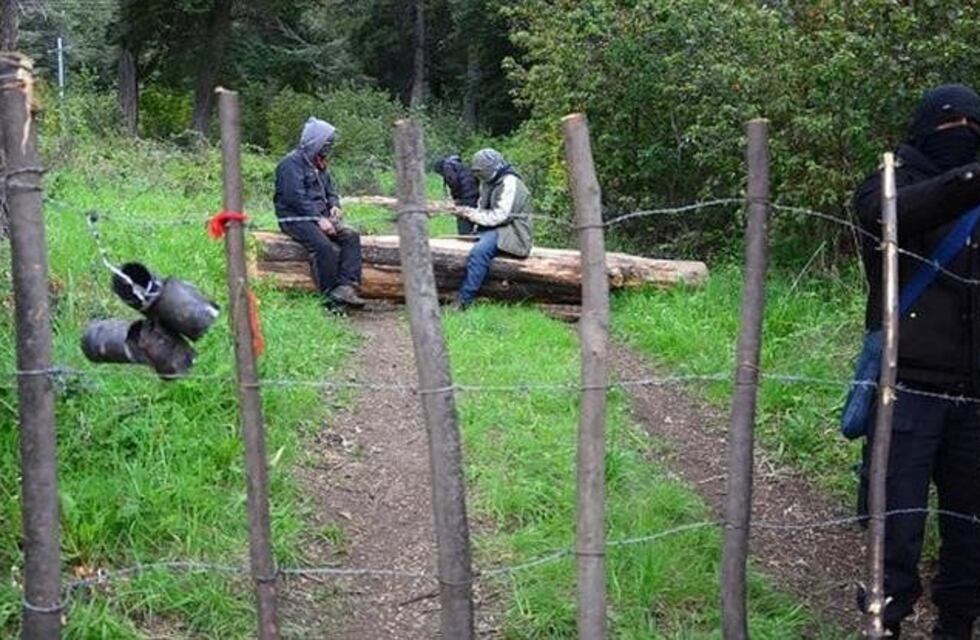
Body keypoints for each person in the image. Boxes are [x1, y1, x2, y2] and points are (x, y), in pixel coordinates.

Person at [853, 84, 980, 639]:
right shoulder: (888, 183)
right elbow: (891, 217)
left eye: (972, 127)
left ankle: (958, 623)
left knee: (970, 528)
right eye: (951, 127)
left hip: (976, 394)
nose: (963, 135)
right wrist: (971, 178)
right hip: (905, 389)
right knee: (897, 524)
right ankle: (888, 620)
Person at [274, 117, 366, 310]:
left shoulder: (319, 163)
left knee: (351, 235)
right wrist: (319, 219)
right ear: (315, 140)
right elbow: (295, 199)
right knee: (324, 248)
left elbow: (331, 191)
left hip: (322, 217)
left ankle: (346, 288)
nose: (328, 146)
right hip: (296, 219)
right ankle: (329, 298)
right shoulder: (290, 164)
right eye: (326, 142)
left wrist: (334, 205)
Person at [450, 148, 533, 309]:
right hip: (497, 227)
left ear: (492, 167)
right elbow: (482, 207)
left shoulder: (510, 182)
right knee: (462, 244)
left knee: (479, 252)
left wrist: (471, 214)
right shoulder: (488, 182)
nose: (480, 176)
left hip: (513, 231)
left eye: (482, 172)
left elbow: (501, 216)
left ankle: (464, 300)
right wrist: (468, 215)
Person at [434, 154, 480, 235]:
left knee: (463, 215)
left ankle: (465, 236)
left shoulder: (447, 167)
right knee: (472, 214)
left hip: (466, 195)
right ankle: (473, 234)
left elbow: (453, 183)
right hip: (474, 192)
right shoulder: (460, 165)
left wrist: (456, 198)